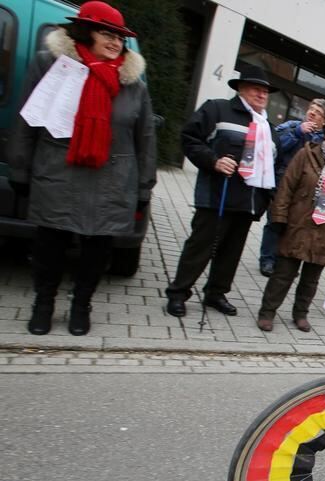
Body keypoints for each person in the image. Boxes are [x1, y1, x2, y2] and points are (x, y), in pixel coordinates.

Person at [8, 1, 156, 336]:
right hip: (59, 170)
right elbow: (27, 119)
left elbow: (145, 138)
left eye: (120, 37)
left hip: (111, 179)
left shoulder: (133, 84)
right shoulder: (51, 65)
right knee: (50, 246)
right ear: (85, 31)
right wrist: (20, 168)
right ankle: (43, 303)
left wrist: (144, 187)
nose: (117, 42)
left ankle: (81, 304)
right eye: (108, 33)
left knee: (95, 251)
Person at [165, 64, 278, 318]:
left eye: (265, 92)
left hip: (248, 202)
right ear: (240, 88)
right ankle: (178, 292)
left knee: (231, 254)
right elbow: (190, 139)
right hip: (217, 195)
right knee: (200, 248)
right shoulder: (217, 109)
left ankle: (216, 293)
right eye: (255, 89)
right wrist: (212, 160)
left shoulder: (267, 126)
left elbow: (274, 164)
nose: (261, 95)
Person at [256, 114, 325, 332]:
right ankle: (267, 312)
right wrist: (279, 218)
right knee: (283, 274)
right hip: (298, 225)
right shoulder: (306, 155)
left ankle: (300, 314)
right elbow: (286, 187)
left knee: (311, 280)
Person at [259, 98, 325, 276]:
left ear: (324, 121)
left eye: (318, 112)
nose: (312, 113)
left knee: (293, 225)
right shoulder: (292, 127)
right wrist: (298, 133)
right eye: (311, 109)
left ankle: (281, 258)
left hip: (304, 191)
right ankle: (267, 259)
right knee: (275, 222)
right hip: (280, 184)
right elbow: (274, 148)